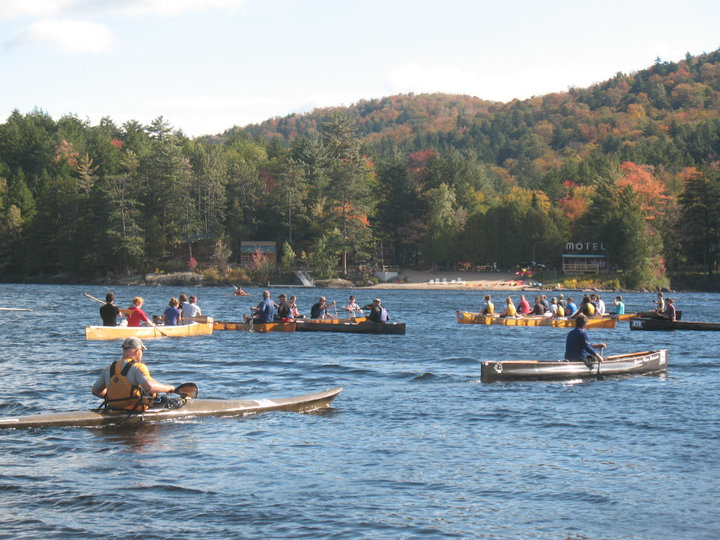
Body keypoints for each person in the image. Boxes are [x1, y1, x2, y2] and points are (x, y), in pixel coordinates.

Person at [91, 337, 177, 411]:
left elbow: (95, 391)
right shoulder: (138, 367)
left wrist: (116, 398)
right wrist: (169, 388)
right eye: (142, 351)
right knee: (170, 402)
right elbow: (150, 387)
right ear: (137, 351)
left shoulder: (109, 369)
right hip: (136, 409)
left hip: (115, 408)